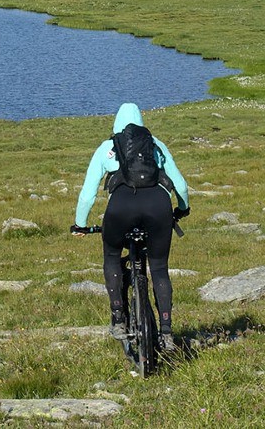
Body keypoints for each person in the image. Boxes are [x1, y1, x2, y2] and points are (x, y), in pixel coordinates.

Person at [71, 102, 190, 351]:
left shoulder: (107, 147)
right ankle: (166, 332)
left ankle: (118, 319)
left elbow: (87, 194)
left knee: (113, 255)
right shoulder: (155, 144)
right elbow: (180, 185)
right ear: (141, 122)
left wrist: (80, 225)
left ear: (116, 123)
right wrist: (182, 209)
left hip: (121, 207)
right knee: (158, 268)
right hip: (158, 207)